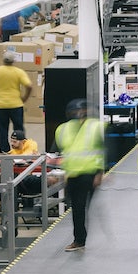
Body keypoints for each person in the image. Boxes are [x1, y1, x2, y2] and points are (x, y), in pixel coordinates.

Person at [51, 99, 104, 252]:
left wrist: (100, 173)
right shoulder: (62, 129)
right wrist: (55, 172)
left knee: (82, 207)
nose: (79, 116)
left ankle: (80, 239)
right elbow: (56, 152)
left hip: (89, 173)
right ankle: (80, 238)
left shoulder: (94, 127)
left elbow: (101, 151)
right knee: (77, 208)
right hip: (73, 175)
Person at [0, 53, 33, 154]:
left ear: (3, 60)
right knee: (19, 130)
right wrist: (25, 98)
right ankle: (21, 151)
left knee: (2, 130)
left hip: (0, 106)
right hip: (16, 105)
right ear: (13, 61)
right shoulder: (19, 72)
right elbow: (29, 86)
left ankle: (4, 153)